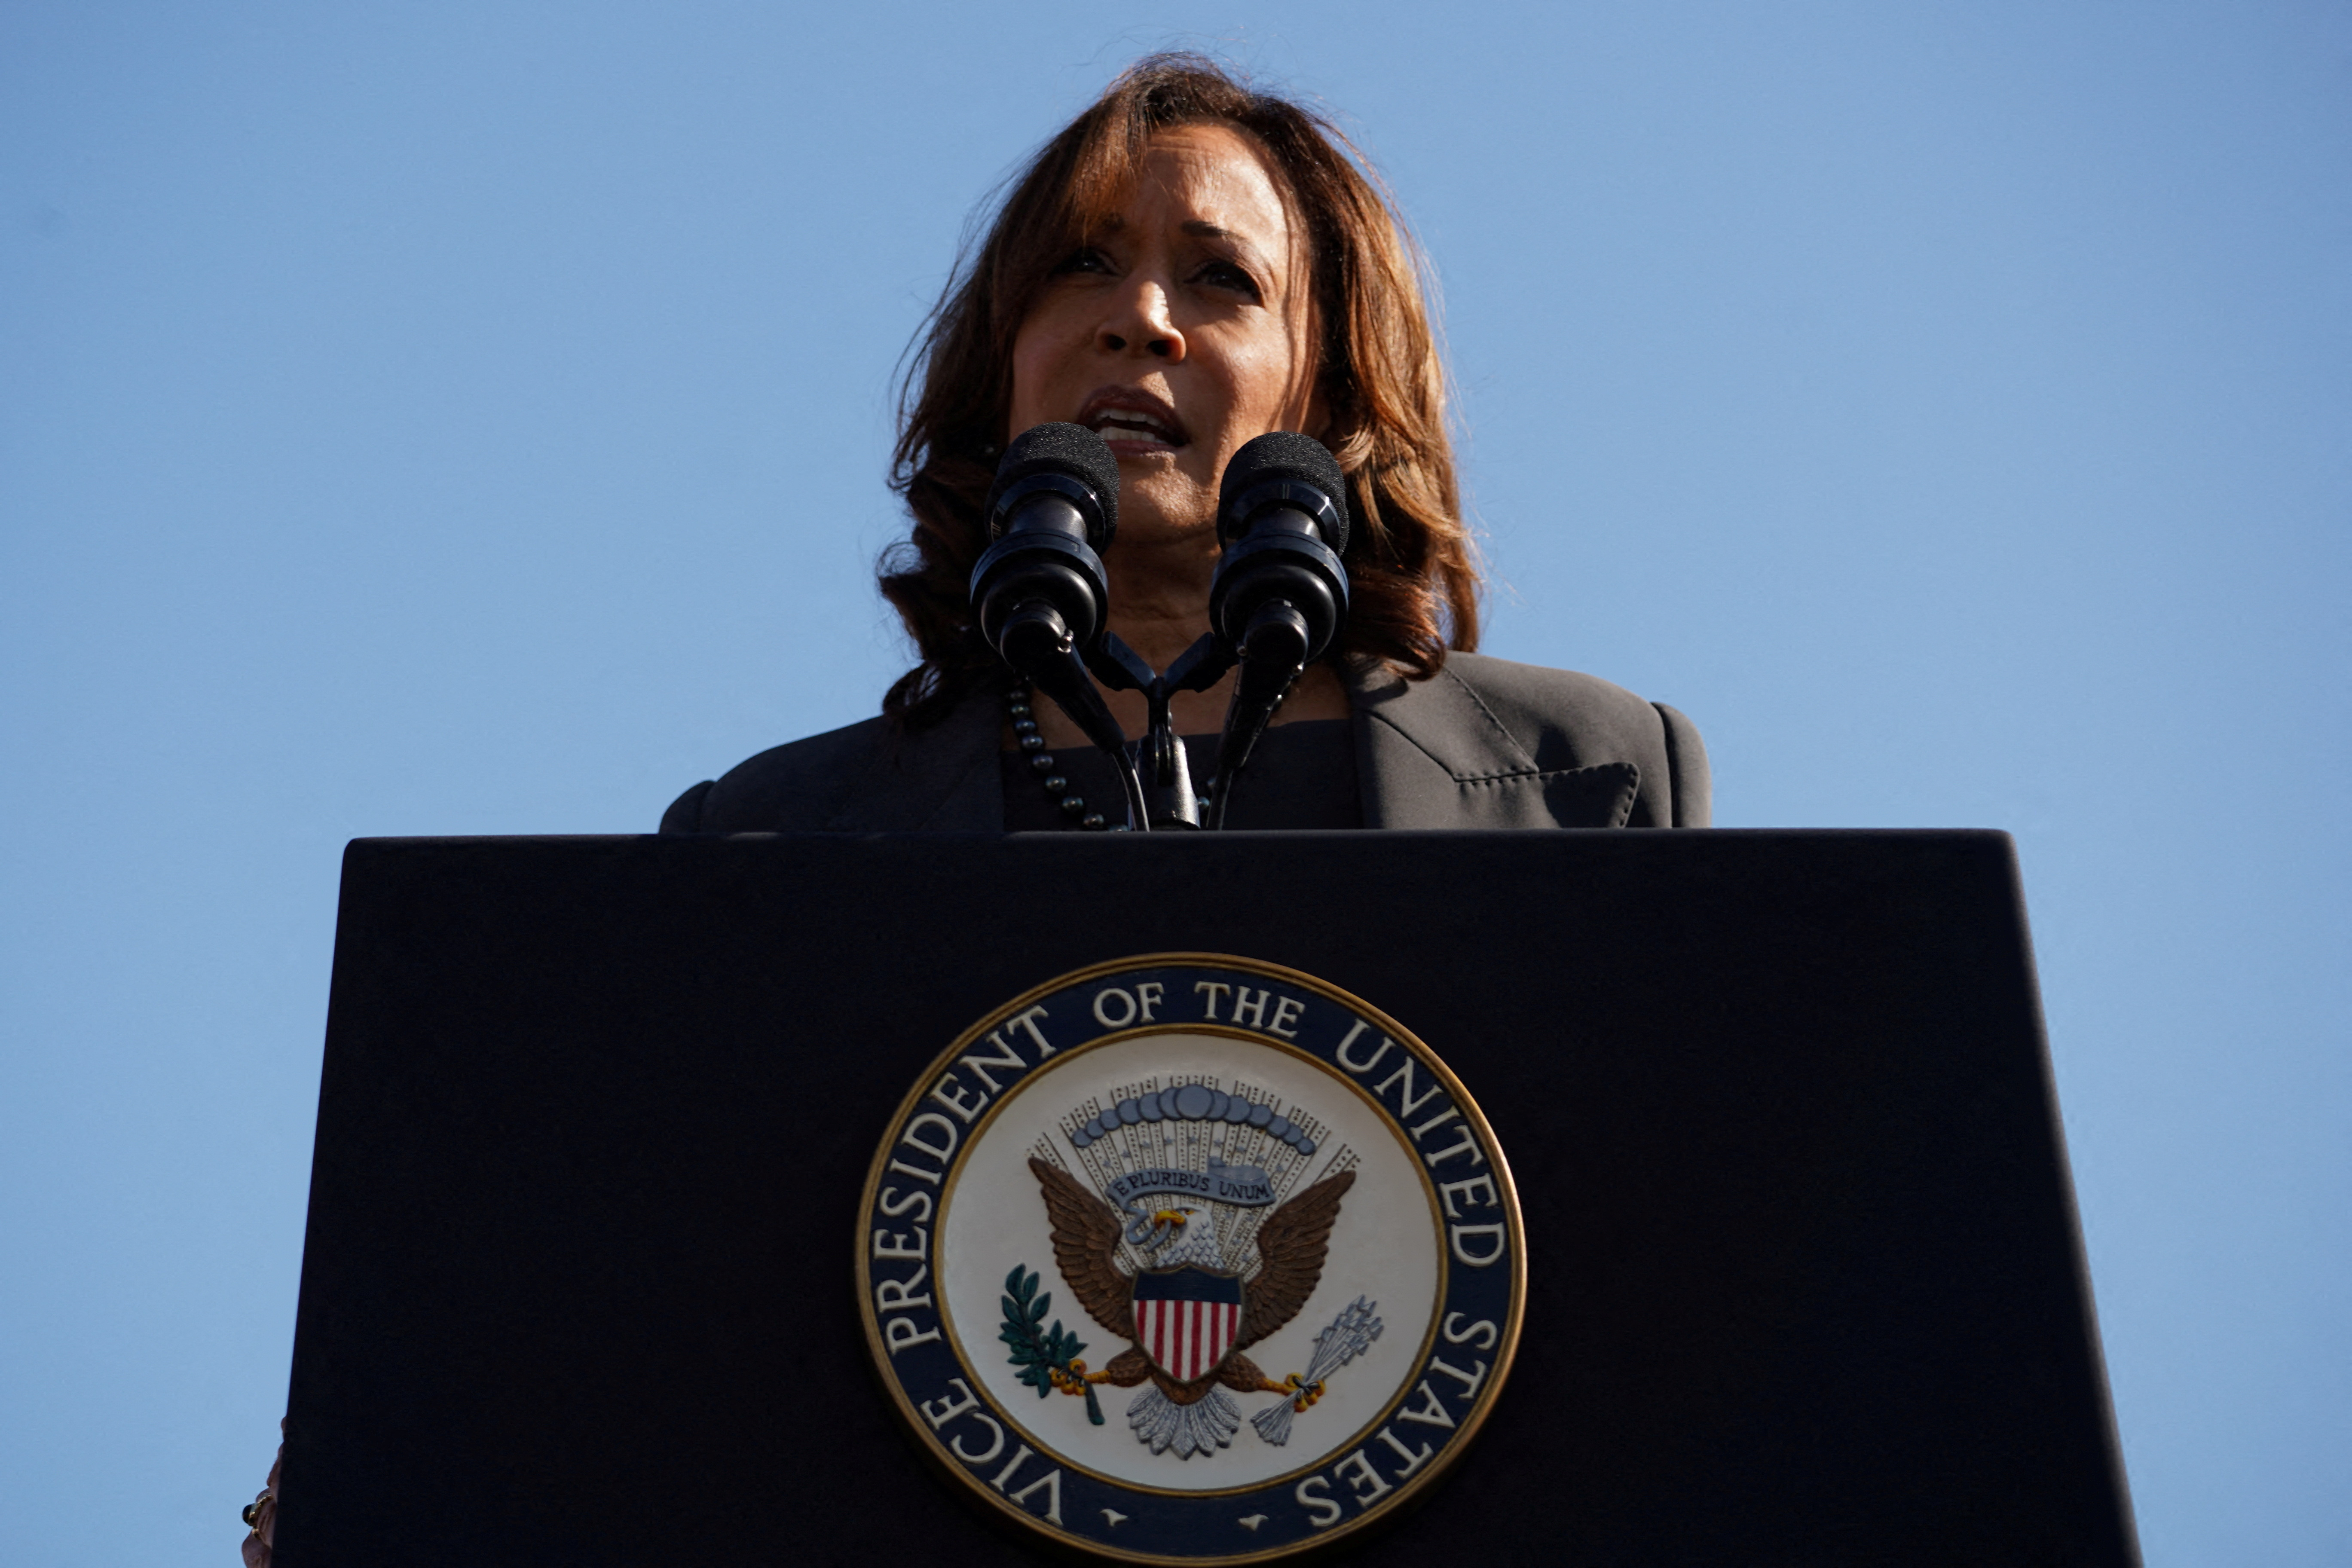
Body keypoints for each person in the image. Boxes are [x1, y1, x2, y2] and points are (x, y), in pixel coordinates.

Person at [660, 55, 1709, 835]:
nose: (1141, 317)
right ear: (1002, 365)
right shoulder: (772, 832)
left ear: (1333, 394)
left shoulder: (1594, 777)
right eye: (1080, 263)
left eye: (1223, 279)